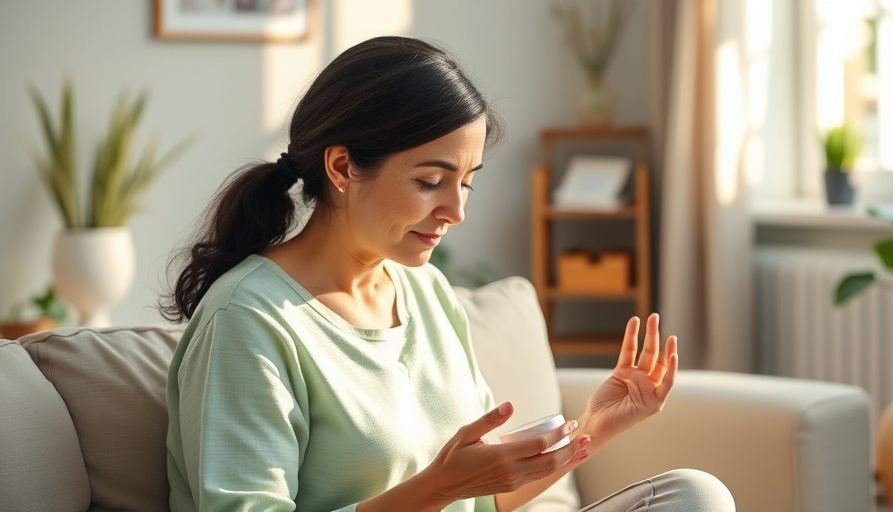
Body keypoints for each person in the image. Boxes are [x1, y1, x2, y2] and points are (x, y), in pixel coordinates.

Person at [161, 35, 735, 512]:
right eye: (430, 182)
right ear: (341, 167)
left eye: (466, 183)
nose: (456, 211)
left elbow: (484, 500)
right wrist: (437, 488)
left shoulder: (425, 291)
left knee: (693, 495)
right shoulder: (248, 319)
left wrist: (594, 428)